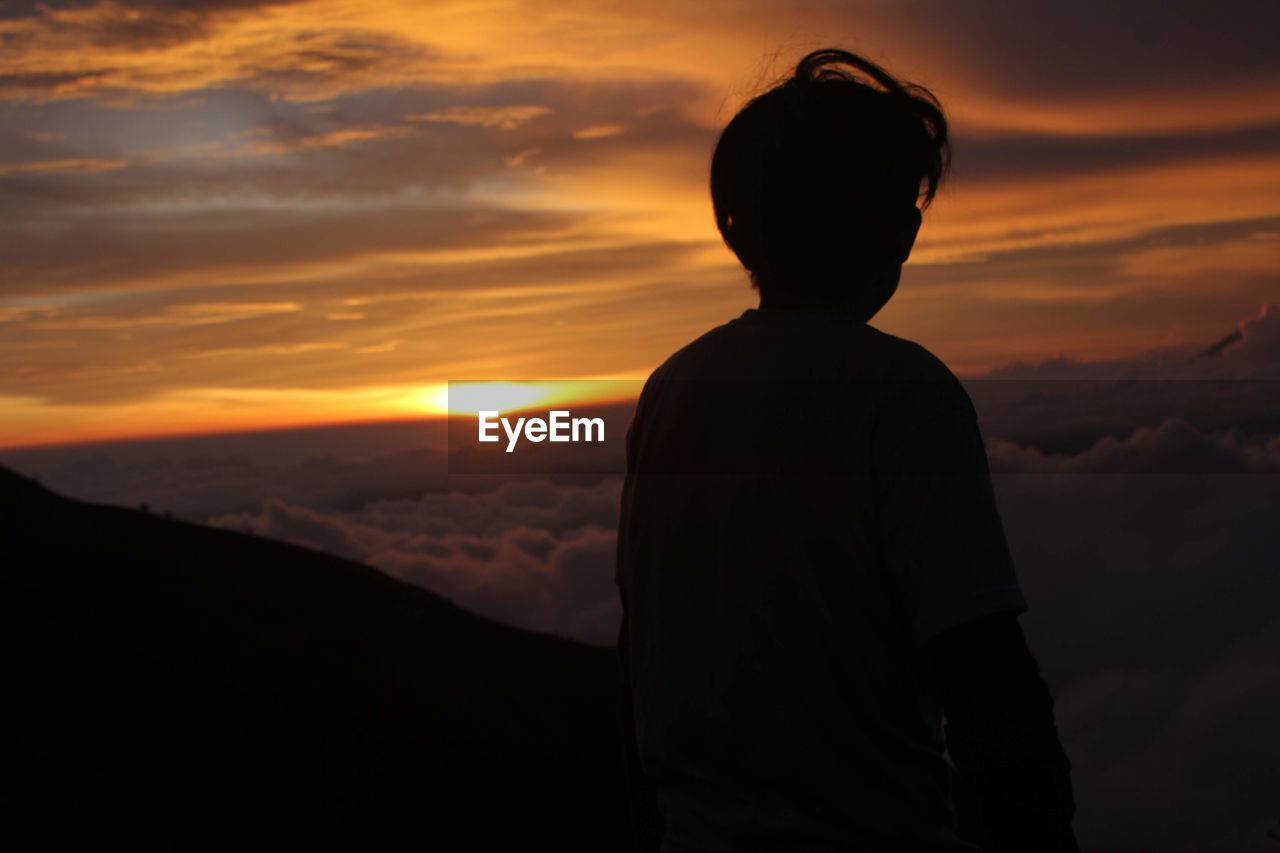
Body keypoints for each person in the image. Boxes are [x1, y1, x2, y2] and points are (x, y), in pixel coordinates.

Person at [614, 48, 1079, 853]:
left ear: (738, 228)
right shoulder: (902, 392)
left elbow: (646, 645)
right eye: (903, 202)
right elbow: (982, 671)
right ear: (890, 226)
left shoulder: (672, 389)